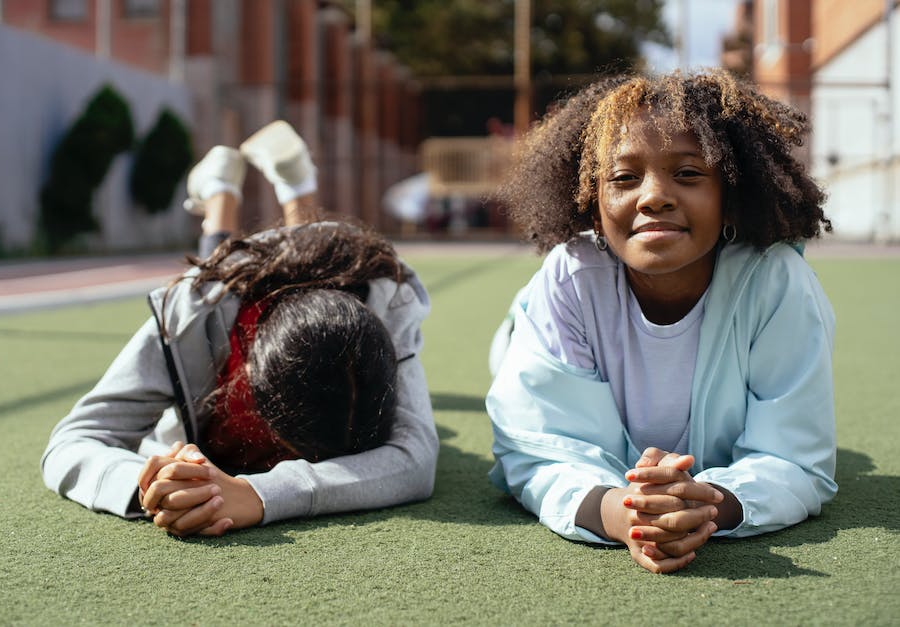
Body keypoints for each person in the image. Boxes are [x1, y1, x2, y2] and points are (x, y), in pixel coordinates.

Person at [486, 70, 836, 574]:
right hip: (531, 340)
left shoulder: (776, 280)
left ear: (731, 193)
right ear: (590, 203)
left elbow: (796, 457)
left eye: (689, 173)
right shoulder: (569, 276)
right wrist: (621, 513)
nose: (653, 196)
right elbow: (536, 446)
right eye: (623, 178)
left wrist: (709, 504)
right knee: (512, 361)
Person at [41, 121, 438, 537]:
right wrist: (152, 484)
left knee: (303, 248)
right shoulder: (187, 318)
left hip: (320, 259)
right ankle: (221, 195)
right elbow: (73, 439)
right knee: (217, 272)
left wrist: (258, 493)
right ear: (246, 377)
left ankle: (294, 186)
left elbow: (415, 458)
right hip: (232, 283)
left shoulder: (388, 303)